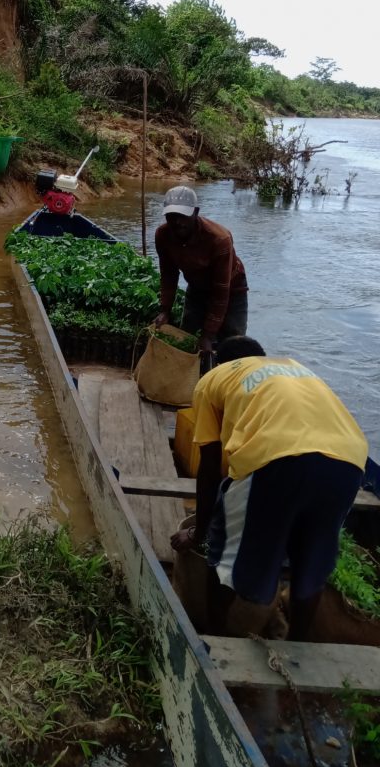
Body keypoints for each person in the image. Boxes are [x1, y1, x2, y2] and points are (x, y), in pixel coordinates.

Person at [171, 336, 368, 640]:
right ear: (261, 356)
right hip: (349, 461)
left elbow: (209, 467)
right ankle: (299, 644)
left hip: (274, 459)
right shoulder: (293, 366)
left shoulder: (212, 379)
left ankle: (216, 635)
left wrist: (199, 533)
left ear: (223, 363)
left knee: (224, 555)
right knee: (311, 558)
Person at [154, 185, 247, 354]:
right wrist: (165, 310)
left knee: (232, 346)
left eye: (182, 216)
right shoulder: (163, 235)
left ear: (195, 212)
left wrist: (208, 334)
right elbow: (168, 276)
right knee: (187, 340)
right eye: (171, 216)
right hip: (197, 287)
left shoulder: (219, 239)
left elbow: (221, 292)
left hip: (232, 290)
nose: (177, 222)